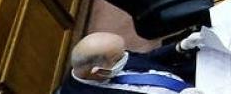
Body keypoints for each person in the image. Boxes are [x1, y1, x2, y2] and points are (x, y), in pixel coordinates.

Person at [61, 31, 203, 94]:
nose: (127, 56)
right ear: (99, 72)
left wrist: (180, 46)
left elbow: (147, 59)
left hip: (193, 78)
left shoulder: (113, 56)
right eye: (119, 58)